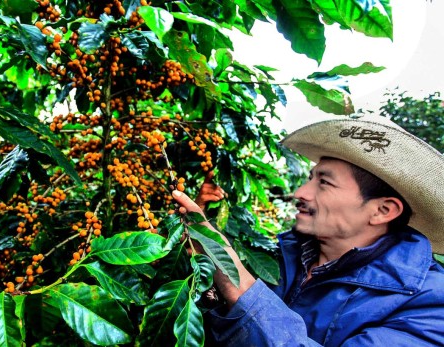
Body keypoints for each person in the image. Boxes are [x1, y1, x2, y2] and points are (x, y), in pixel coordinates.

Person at [172, 114, 444, 346]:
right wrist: (203, 246)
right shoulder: (279, 256)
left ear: (382, 211)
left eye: (324, 183)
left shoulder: (430, 304)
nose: (300, 193)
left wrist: (235, 280)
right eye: (309, 178)